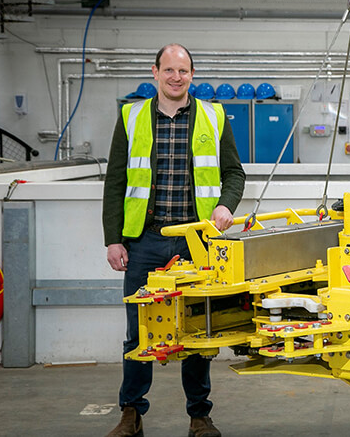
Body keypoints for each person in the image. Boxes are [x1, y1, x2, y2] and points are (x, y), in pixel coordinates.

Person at [102, 43, 246, 437]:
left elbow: (235, 173)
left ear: (192, 76)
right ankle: (131, 413)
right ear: (155, 72)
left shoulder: (213, 116)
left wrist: (225, 206)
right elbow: (115, 181)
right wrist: (113, 240)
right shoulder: (131, 117)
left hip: (196, 243)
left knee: (198, 332)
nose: (176, 77)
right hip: (145, 242)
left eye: (183, 71)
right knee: (139, 331)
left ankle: (199, 415)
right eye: (169, 70)